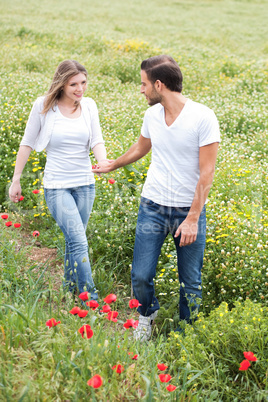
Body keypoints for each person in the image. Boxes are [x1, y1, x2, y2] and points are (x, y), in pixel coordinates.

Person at [93, 55, 220, 341]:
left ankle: (186, 336)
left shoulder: (203, 117)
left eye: (144, 84)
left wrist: (192, 219)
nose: (141, 90)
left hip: (189, 212)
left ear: (159, 85)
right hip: (153, 206)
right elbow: (141, 148)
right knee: (140, 274)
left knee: (191, 282)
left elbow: (207, 172)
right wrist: (112, 164)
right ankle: (147, 315)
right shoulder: (152, 115)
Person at [9, 59, 108, 300]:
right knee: (79, 241)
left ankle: (69, 288)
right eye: (74, 84)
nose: (80, 89)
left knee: (75, 241)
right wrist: (16, 179)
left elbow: (97, 139)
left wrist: (103, 162)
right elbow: (27, 142)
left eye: (83, 83)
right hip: (57, 186)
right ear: (62, 83)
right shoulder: (44, 106)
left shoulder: (90, 106)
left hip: (85, 183)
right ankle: (90, 298)